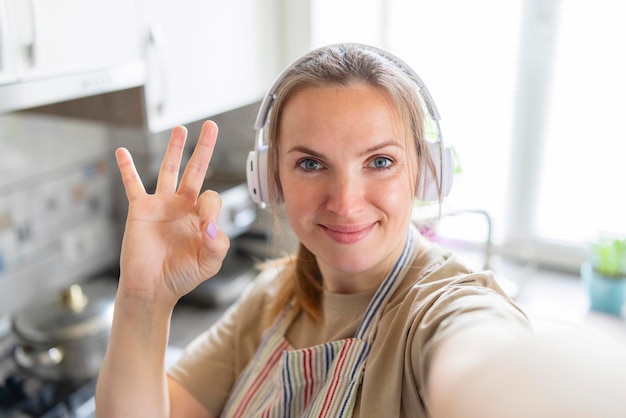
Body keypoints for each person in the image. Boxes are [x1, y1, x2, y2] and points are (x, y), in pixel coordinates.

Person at [95, 43, 626, 418]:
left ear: (425, 170)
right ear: (269, 179)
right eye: (309, 164)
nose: (345, 202)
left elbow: (483, 366)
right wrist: (143, 298)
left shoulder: (443, 308)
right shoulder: (270, 301)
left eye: (379, 161)